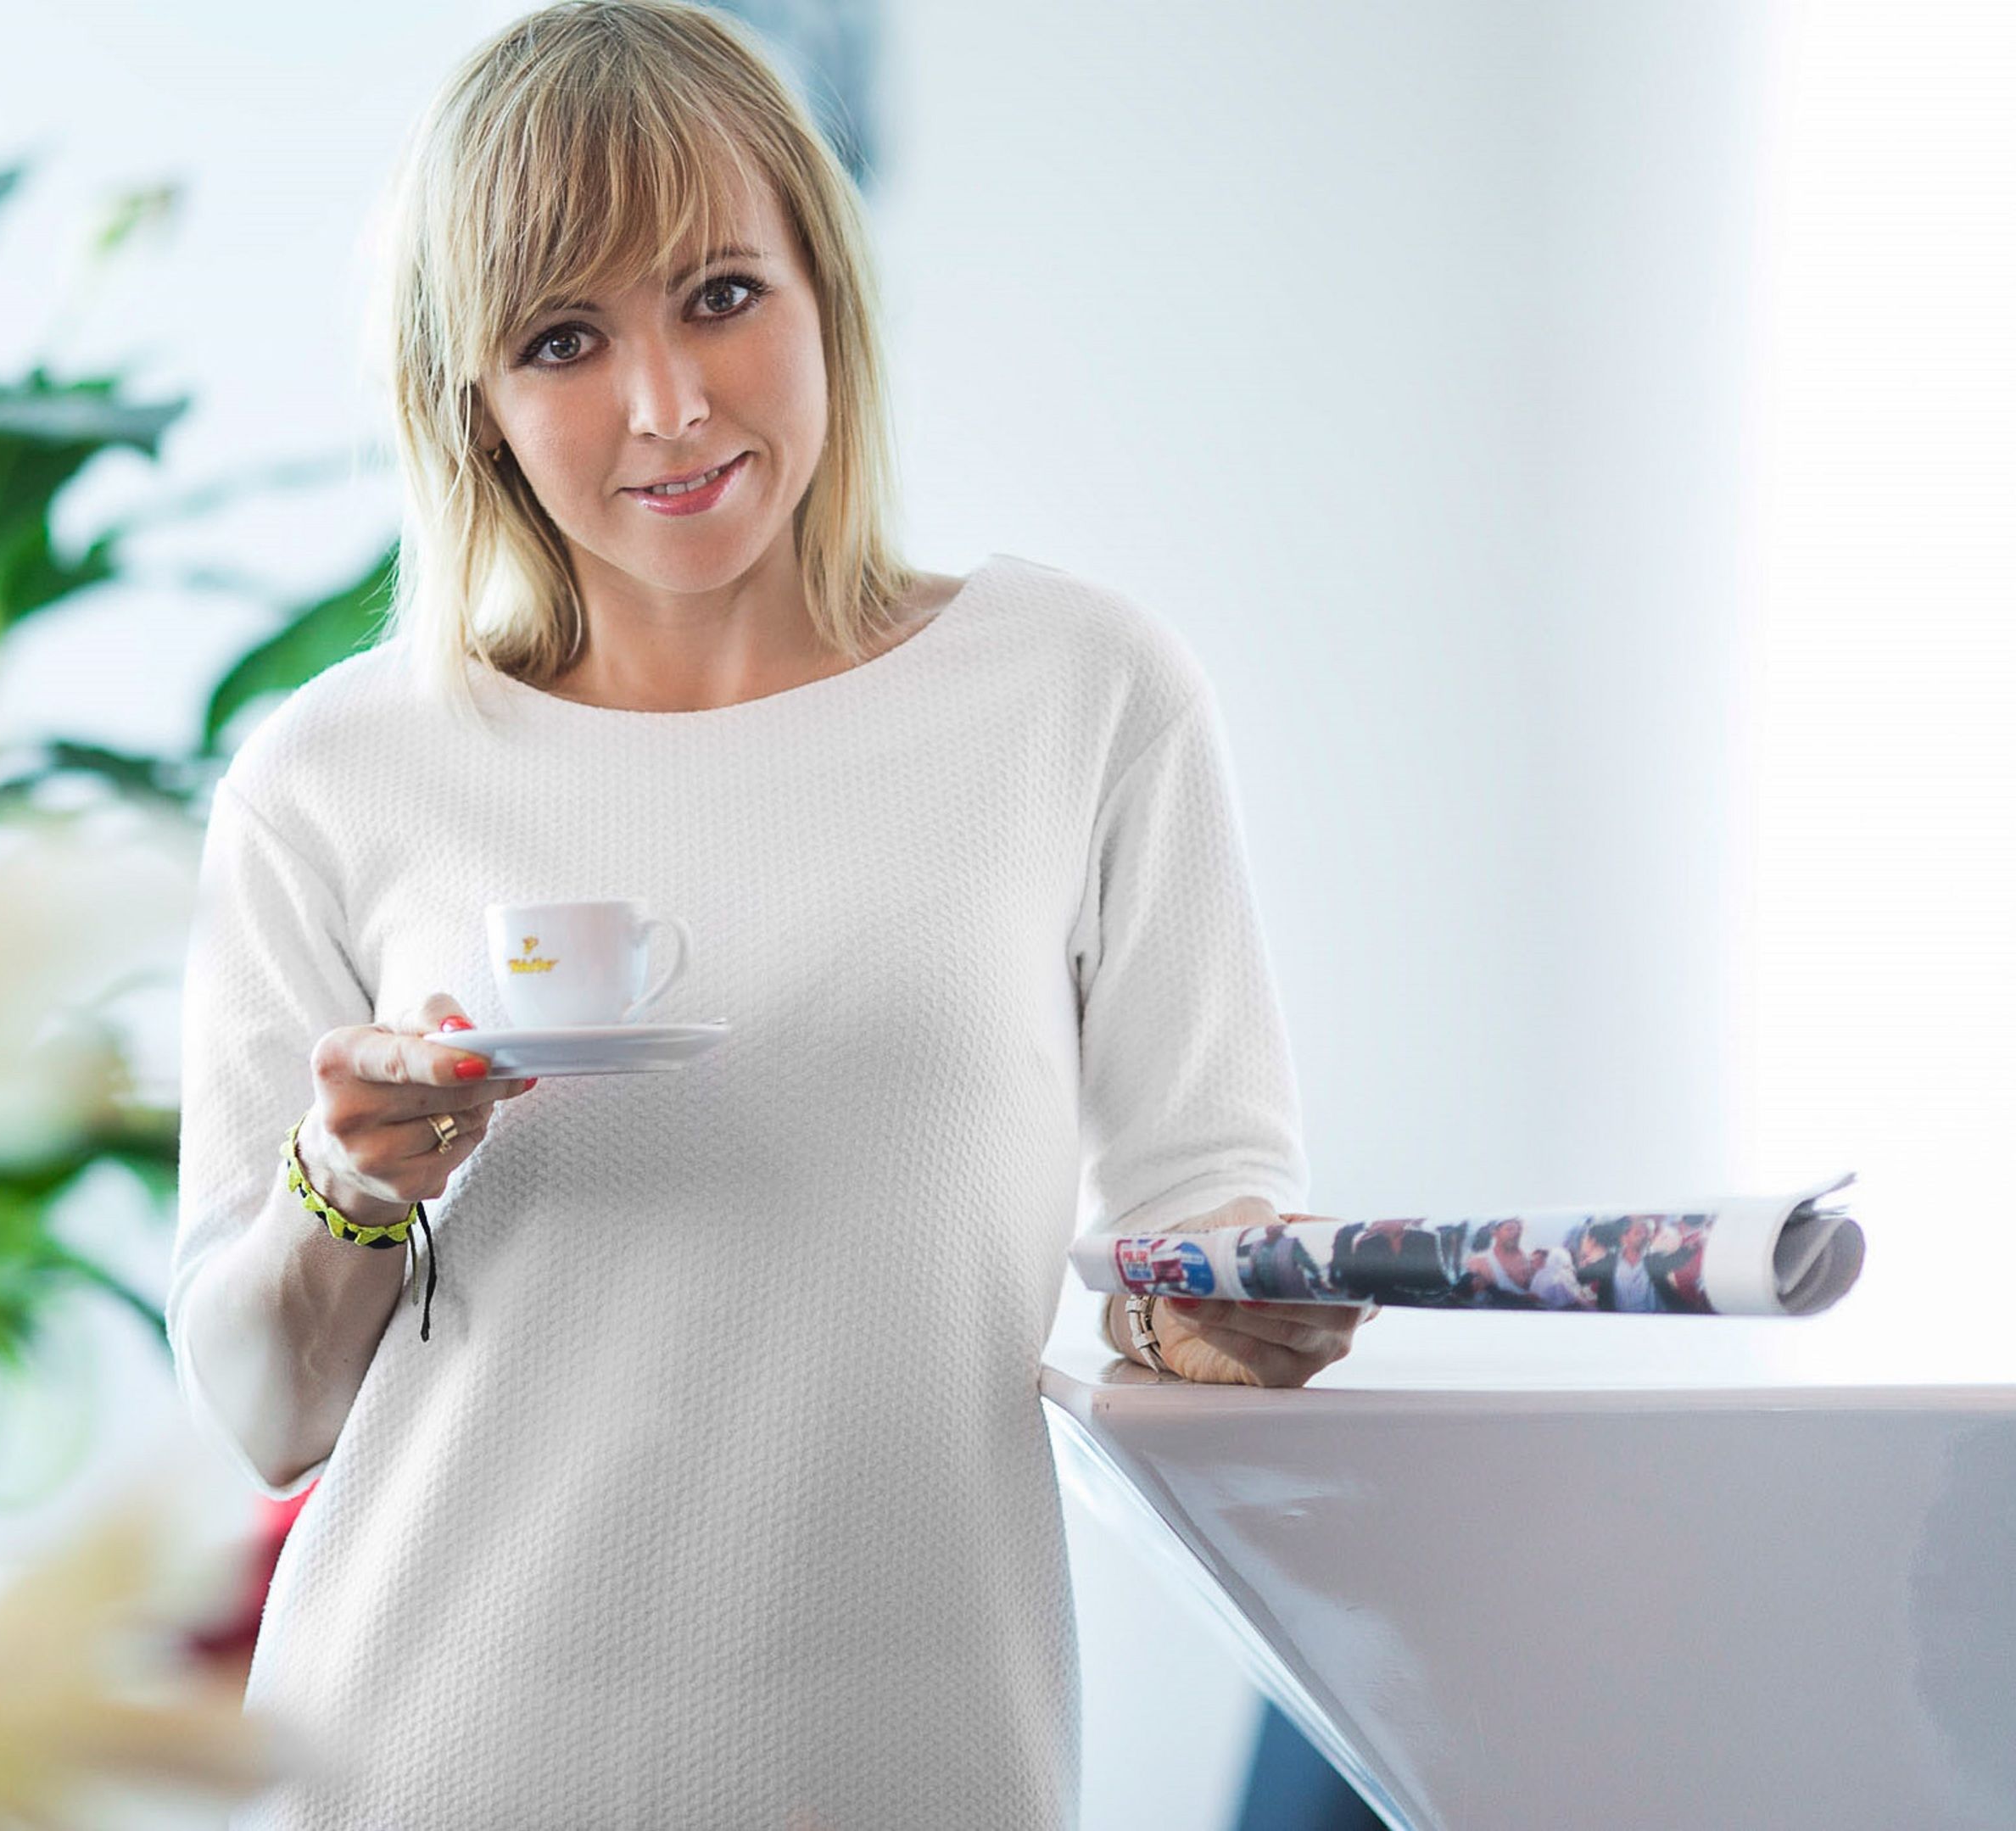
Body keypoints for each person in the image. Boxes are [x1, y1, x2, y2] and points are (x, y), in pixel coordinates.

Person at [164, 4, 1360, 1823]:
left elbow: (1202, 1239)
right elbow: (265, 1410)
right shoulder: (332, 778)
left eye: (720, 292)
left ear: (825, 288)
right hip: (420, 1764)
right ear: (471, 406)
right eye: (565, 338)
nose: (669, 402)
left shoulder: (1082, 697)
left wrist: (1234, 1323)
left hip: (917, 1768)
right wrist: (353, 1176)